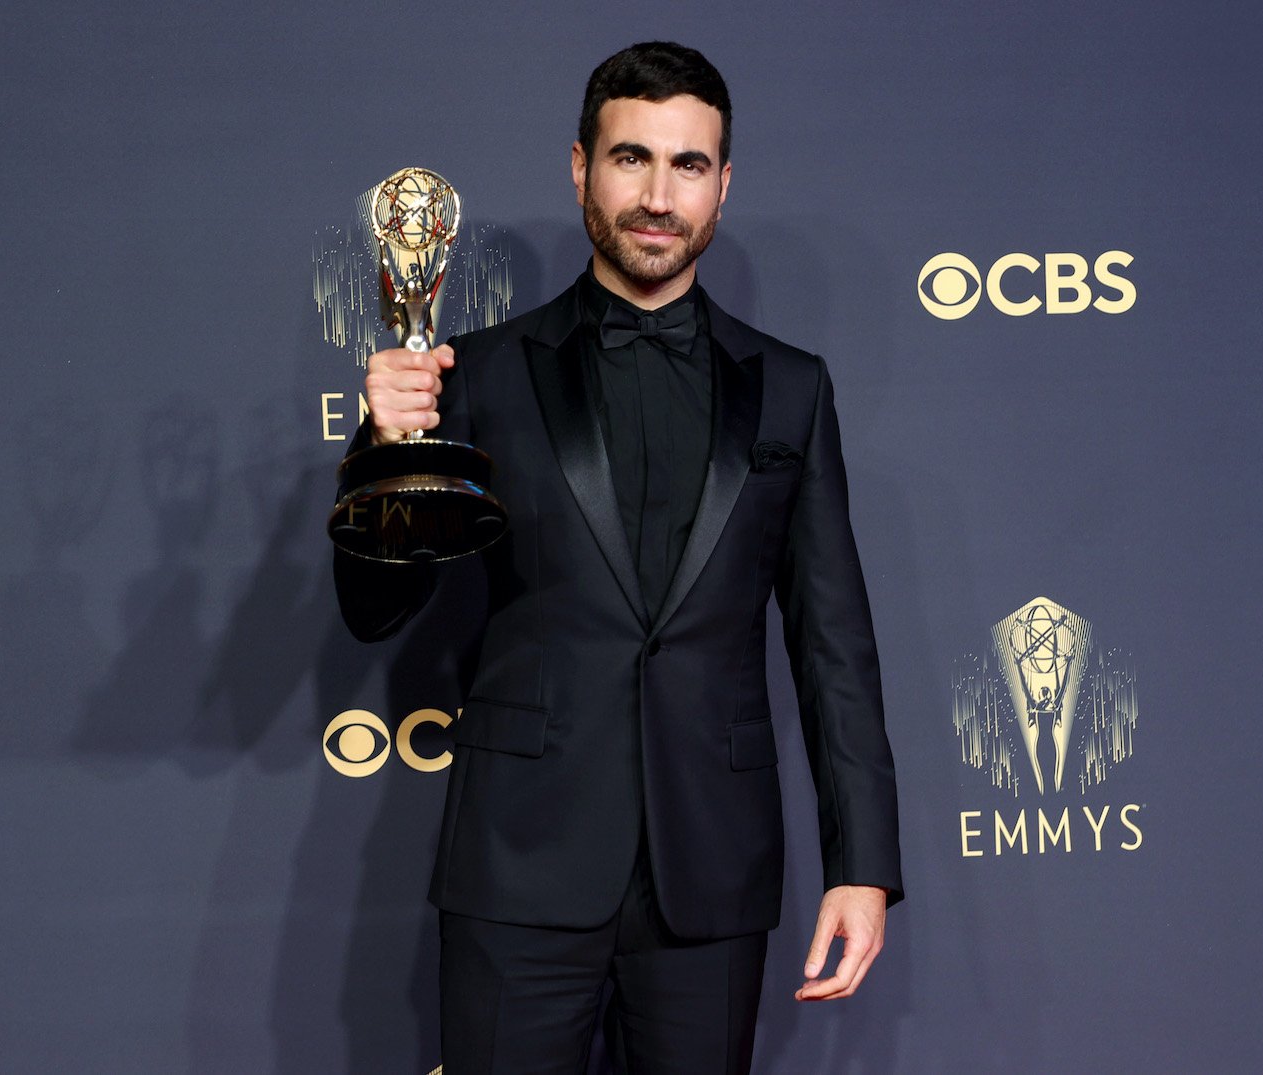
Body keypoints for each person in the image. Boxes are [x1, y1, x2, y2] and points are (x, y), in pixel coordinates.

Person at [334, 41, 903, 1074]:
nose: (656, 194)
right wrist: (384, 450)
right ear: (580, 169)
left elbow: (834, 645)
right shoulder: (483, 374)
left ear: (723, 185)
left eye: (688, 165)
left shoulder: (790, 390)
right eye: (630, 158)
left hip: (711, 875)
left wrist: (861, 865)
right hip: (521, 866)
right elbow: (374, 609)